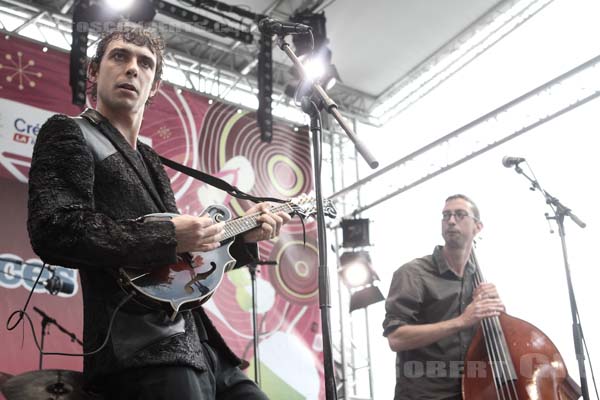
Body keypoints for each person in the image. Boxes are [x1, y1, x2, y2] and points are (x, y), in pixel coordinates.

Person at [27, 22, 290, 400]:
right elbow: (55, 228)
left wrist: (242, 238)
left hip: (201, 345)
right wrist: (168, 235)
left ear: (154, 87)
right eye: (119, 56)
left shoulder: (150, 159)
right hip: (140, 352)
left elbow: (183, 263)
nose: (133, 68)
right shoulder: (69, 132)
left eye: (145, 63)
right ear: (93, 71)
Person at [382, 194, 505, 400]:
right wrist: (462, 321)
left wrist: (499, 312)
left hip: (471, 393)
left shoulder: (476, 280)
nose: (451, 220)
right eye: (446, 215)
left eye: (459, 215)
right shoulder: (413, 273)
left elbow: (494, 340)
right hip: (424, 396)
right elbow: (396, 338)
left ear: (478, 227)